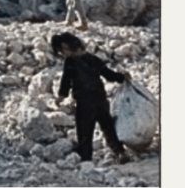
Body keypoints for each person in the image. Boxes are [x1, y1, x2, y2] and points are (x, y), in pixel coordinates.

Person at [51, 32, 132, 164]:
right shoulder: (94, 59)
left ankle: (86, 158)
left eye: (61, 51)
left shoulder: (70, 62)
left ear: (66, 47)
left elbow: (66, 81)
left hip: (84, 104)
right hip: (101, 100)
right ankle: (119, 152)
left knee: (85, 132)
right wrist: (122, 77)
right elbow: (109, 75)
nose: (62, 54)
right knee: (108, 128)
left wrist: (60, 97)